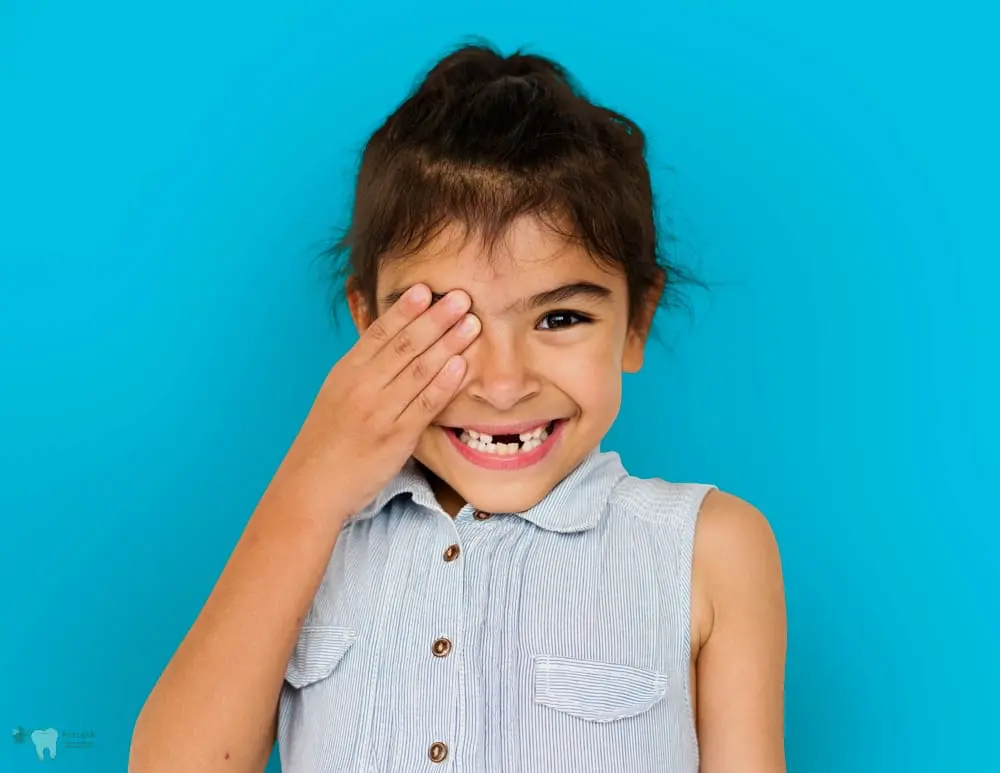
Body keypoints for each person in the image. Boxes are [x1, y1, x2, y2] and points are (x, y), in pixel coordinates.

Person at [129, 42, 786, 773]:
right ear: (370, 325)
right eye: (445, 320)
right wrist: (309, 489)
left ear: (636, 322)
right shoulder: (313, 535)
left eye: (560, 318)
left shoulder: (707, 547)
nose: (502, 384)